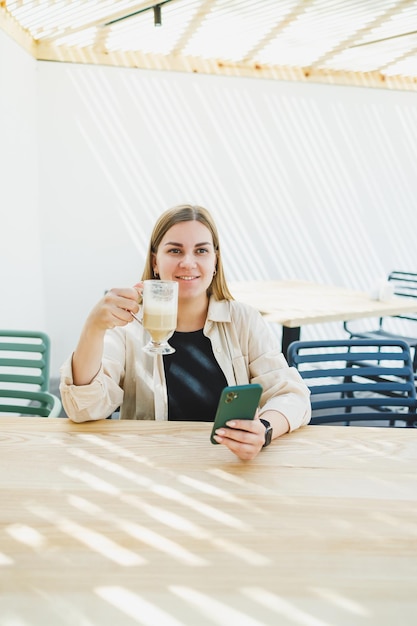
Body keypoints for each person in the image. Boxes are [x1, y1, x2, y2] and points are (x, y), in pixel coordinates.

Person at [60, 204, 311, 460]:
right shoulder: (128, 323)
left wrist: (264, 429)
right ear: (155, 261)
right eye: (175, 250)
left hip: (227, 465)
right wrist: (93, 328)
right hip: (148, 467)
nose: (188, 262)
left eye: (201, 250)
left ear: (215, 261)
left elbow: (292, 395)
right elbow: (84, 408)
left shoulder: (242, 320)